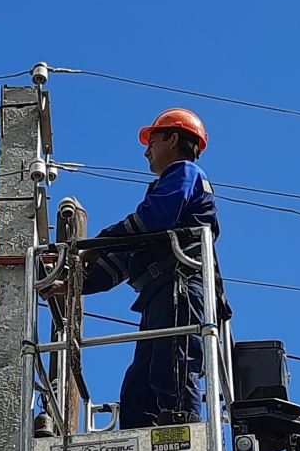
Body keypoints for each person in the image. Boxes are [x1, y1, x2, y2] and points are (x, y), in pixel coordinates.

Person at [81, 108, 225, 430]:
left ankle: (181, 428)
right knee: (140, 383)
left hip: (180, 289)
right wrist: (77, 282)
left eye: (153, 140)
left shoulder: (184, 173)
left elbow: (151, 220)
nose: (147, 150)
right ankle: (139, 433)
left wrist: (100, 242)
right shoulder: (170, 189)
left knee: (172, 364)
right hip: (161, 293)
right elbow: (127, 257)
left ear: (173, 139)